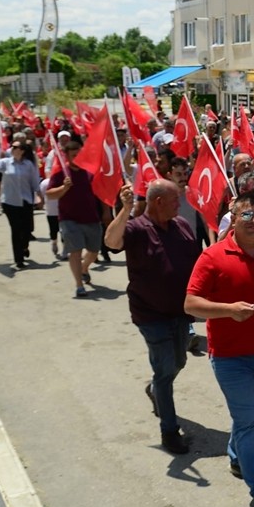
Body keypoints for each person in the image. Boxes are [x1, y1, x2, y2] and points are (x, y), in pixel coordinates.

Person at [185, 193, 254, 507]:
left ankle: (236, 454)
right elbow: (190, 304)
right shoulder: (212, 256)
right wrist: (228, 310)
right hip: (230, 358)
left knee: (245, 416)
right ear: (233, 218)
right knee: (248, 421)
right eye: (248, 215)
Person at [104, 181, 202, 455]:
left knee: (178, 362)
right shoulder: (136, 228)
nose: (179, 204)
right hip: (150, 314)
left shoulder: (181, 225)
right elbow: (111, 242)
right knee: (165, 370)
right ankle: (169, 431)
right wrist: (125, 210)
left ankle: (156, 390)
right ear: (158, 202)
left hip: (180, 312)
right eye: (174, 200)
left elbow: (196, 261)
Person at [45, 141, 102, 298]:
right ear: (67, 157)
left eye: (79, 155)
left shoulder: (90, 172)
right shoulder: (60, 174)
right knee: (75, 251)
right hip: (69, 219)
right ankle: (79, 285)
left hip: (91, 218)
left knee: (94, 251)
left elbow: (100, 193)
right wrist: (64, 188)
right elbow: (50, 195)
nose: (77, 158)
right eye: (73, 156)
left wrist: (106, 213)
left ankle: (84, 268)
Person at [0, 143, 42, 270]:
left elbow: (34, 182)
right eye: (12, 146)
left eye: (15, 147)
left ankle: (24, 246)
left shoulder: (29, 165)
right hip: (10, 202)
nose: (12, 149)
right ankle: (18, 259)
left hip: (26, 200)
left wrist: (40, 197)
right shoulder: (5, 162)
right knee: (16, 229)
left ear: (22, 151)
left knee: (27, 229)